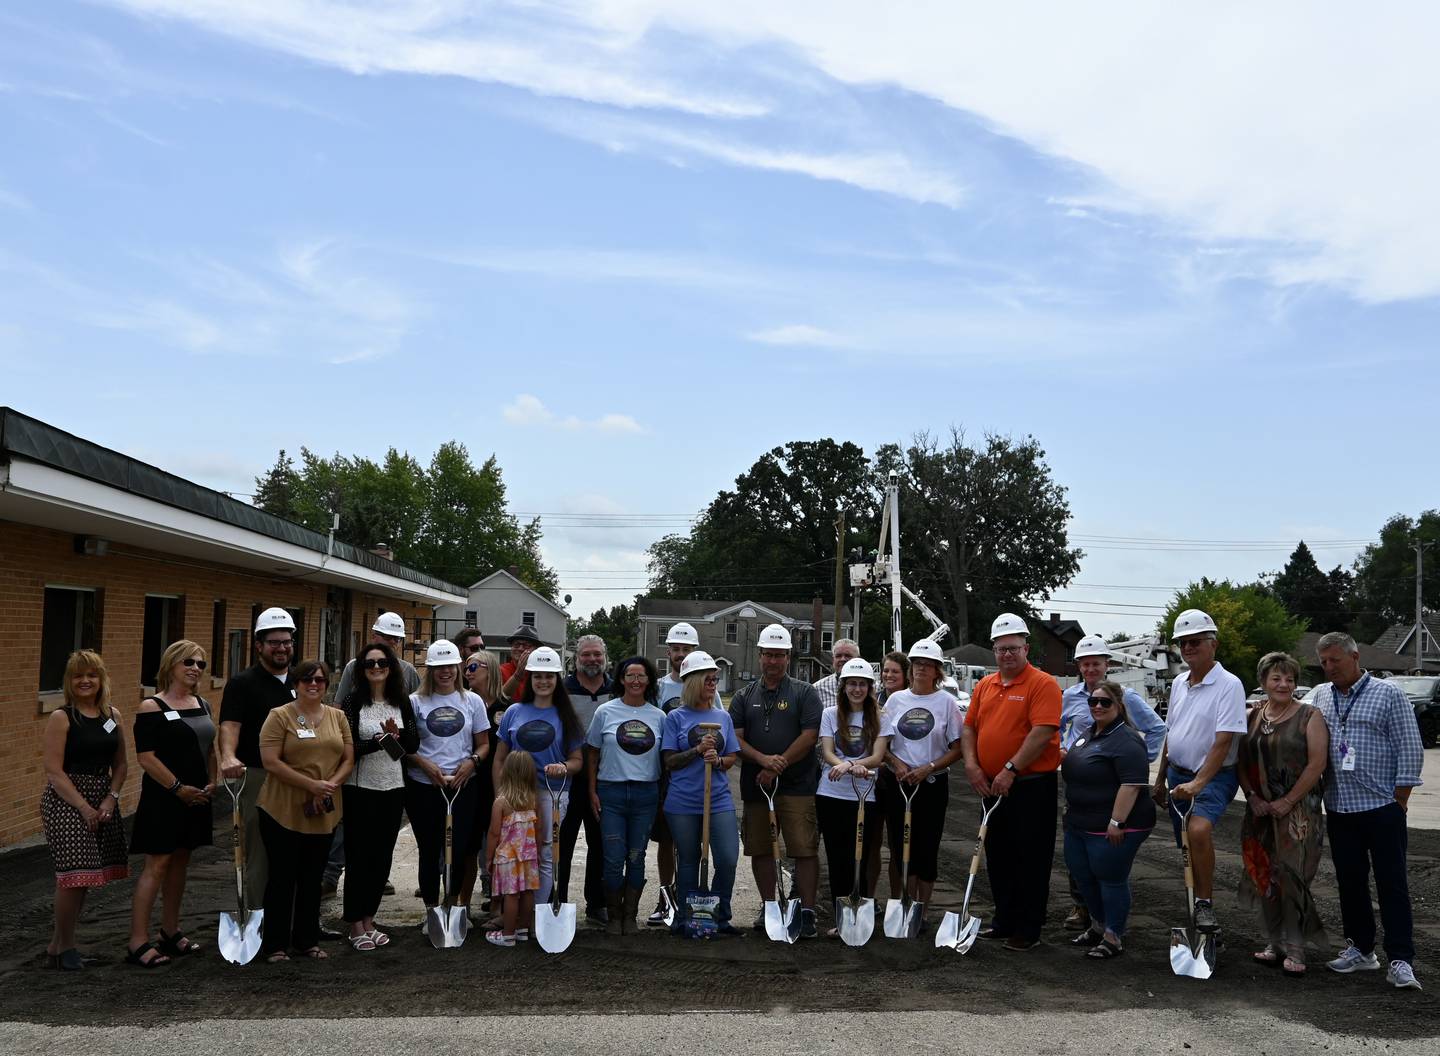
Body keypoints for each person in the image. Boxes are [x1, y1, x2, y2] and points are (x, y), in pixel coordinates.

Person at [1311, 632, 1425, 989]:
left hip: (1382, 807)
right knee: (1350, 884)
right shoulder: (1319, 697)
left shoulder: (1388, 694)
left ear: (1355, 656)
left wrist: (1400, 801)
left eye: (1336, 661)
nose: (1330, 668)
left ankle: (1401, 960)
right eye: (1324, 662)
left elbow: (1410, 747)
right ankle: (1361, 950)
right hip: (1341, 809)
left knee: (1392, 885)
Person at [962, 613, 1062, 952]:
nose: (1008, 655)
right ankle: (1004, 919)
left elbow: (1042, 732)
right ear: (994, 649)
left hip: (1031, 786)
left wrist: (1010, 769)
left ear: (1026, 648)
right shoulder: (984, 686)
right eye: (1002, 649)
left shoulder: (1042, 684)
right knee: (998, 854)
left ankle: (1028, 927)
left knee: (1030, 857)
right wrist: (974, 766)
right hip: (990, 785)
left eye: (1014, 648)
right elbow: (969, 728)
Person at [1059, 634, 1167, 931]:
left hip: (1113, 790)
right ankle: (1083, 906)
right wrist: (1063, 751)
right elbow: (1055, 727)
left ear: (1107, 664)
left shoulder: (1126, 697)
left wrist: (1136, 762)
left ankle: (1109, 922)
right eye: (1086, 664)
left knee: (1104, 854)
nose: (1091, 669)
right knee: (1078, 849)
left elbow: (1157, 729)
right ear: (1079, 666)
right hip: (1079, 783)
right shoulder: (1070, 697)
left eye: (1096, 663)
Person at [1151, 609, 1246, 936]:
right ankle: (1197, 909)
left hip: (1213, 777)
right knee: (1186, 844)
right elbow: (1171, 731)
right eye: (1183, 643)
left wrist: (1199, 783)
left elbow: (1223, 742)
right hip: (1178, 776)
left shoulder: (1229, 685)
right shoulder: (1178, 682)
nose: (1188, 648)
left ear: (1213, 645)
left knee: (1199, 831)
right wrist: (1161, 778)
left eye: (1195, 642)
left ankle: (1204, 904)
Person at [126, 640, 218, 967]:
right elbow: (145, 758)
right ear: (171, 666)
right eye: (188, 662)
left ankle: (170, 930)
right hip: (165, 799)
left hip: (197, 797)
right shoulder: (151, 707)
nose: (195, 668)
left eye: (201, 664)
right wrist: (178, 788)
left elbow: (209, 748)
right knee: (158, 865)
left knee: (181, 862)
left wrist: (212, 779)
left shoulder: (203, 704)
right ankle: (137, 941)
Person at [1237, 651, 1329, 976]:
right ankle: (1273, 943)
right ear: (1263, 682)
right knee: (1265, 876)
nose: (1284, 684)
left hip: (1298, 812)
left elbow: (1317, 763)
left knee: (1293, 878)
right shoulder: (1251, 715)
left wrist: (1288, 801)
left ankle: (1297, 949)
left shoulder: (1309, 715)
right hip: (1260, 810)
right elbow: (1240, 761)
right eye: (1276, 678)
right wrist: (1251, 796)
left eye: (1289, 678)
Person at [256, 659, 353, 962]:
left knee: (312, 878)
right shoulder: (280, 716)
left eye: (320, 680)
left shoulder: (337, 717)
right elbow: (270, 761)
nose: (314, 685)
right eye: (307, 680)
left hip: (323, 808)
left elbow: (348, 758)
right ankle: (275, 945)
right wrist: (310, 785)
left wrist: (328, 785)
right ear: (295, 684)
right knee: (282, 877)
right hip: (282, 807)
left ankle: (306, 940)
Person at [731, 623, 823, 938]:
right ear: (760, 656)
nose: (773, 661)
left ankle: (807, 911)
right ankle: (769, 905)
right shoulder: (744, 696)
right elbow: (736, 738)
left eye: (779, 656)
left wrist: (778, 764)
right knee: (761, 849)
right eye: (768, 655)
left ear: (788, 657)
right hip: (757, 787)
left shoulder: (804, 692)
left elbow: (810, 736)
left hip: (797, 786)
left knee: (803, 849)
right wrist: (762, 760)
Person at [41, 650, 128, 970]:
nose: (85, 680)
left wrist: (110, 799)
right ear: (69, 681)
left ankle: (57, 945)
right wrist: (84, 807)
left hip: (102, 797)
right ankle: (66, 948)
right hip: (66, 800)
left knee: (87, 874)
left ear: (101, 679)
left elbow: (120, 765)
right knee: (74, 874)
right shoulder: (61, 717)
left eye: (91, 674)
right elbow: (53, 771)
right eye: (78, 675)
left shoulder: (113, 716)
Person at [325, 612, 419, 898]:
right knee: (354, 837)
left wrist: (393, 740)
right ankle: (332, 875)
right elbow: (341, 715)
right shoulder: (355, 672)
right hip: (357, 776)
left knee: (382, 839)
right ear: (374, 636)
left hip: (393, 777)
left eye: (395, 639)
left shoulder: (407, 678)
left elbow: (410, 734)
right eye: (386, 637)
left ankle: (377, 885)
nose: (390, 645)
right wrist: (375, 742)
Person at [1060, 681, 1156, 960]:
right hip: (1080, 821)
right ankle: (1098, 925)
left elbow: (1132, 784)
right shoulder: (1088, 734)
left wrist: (1117, 822)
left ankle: (1113, 935)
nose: (1098, 707)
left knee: (1109, 876)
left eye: (1105, 702)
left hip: (1117, 823)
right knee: (1081, 872)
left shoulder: (1126, 740)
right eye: (1093, 702)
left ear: (1119, 706)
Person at [337, 642, 418, 950]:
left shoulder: (402, 702)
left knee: (382, 857)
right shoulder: (352, 702)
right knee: (359, 857)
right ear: (361, 668)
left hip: (393, 788)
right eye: (369, 663)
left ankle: (370, 918)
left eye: (382, 662)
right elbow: (347, 748)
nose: (376, 668)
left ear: (391, 667)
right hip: (360, 789)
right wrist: (377, 741)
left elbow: (412, 745)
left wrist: (395, 738)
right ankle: (354, 923)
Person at [880, 640, 963, 934]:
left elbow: (957, 748)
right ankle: (902, 905)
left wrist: (929, 767)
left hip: (930, 785)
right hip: (899, 783)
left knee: (927, 849)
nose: (921, 669)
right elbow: (883, 744)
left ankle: (922, 912)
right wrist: (895, 763)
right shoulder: (896, 701)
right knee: (901, 847)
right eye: (916, 664)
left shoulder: (947, 703)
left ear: (937, 671)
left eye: (927, 665)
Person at [217, 607, 295, 911]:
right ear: (259, 645)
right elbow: (230, 726)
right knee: (260, 853)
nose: (281, 648)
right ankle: (261, 920)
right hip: (259, 778)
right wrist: (228, 757)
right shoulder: (243, 683)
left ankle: (296, 922)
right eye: (274, 642)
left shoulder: (302, 680)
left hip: (299, 778)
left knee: (299, 850)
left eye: (286, 641)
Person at [406, 640, 491, 917]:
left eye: (450, 666)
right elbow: (406, 747)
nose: (445, 672)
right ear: (429, 669)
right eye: (438, 667)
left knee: (457, 850)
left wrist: (472, 763)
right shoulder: (415, 702)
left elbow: (484, 744)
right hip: (425, 786)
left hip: (461, 785)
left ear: (458, 667)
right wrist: (425, 765)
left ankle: (451, 906)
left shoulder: (472, 701)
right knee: (429, 851)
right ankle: (431, 909)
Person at [493, 646, 584, 904]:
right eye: (537, 676)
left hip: (552, 795)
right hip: (516, 795)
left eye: (549, 676)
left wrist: (564, 767)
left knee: (545, 853)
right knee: (513, 853)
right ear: (530, 679)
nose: (543, 681)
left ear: (557, 679)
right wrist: (499, 794)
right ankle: (510, 913)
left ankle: (537, 913)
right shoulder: (514, 712)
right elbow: (499, 758)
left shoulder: (566, 716)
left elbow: (577, 761)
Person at [662, 651, 742, 936]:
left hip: (718, 799)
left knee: (728, 858)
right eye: (708, 679)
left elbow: (732, 755)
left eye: (715, 679)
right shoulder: (675, 718)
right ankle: (687, 919)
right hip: (683, 801)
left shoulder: (722, 716)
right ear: (693, 681)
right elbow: (669, 761)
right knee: (688, 859)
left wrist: (718, 761)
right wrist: (697, 750)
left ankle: (719, 917)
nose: (713, 683)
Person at [586, 656, 666, 935]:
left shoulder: (659, 717)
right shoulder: (605, 712)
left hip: (646, 793)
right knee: (612, 857)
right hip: (612, 791)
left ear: (649, 681)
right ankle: (614, 915)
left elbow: (665, 759)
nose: (635, 681)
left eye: (641, 676)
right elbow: (592, 753)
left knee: (636, 855)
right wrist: (592, 790)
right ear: (620, 679)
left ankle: (630, 916)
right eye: (630, 675)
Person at [817, 658, 889, 938]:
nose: (857, 689)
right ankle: (841, 919)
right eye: (852, 684)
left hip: (865, 796)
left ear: (870, 687)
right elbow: (827, 751)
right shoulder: (830, 714)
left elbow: (878, 756)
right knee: (836, 858)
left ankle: (860, 915)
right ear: (843, 686)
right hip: (831, 793)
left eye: (862, 684)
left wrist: (857, 765)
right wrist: (845, 764)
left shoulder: (880, 717)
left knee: (860, 856)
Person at [646, 621, 700, 926]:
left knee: (690, 842)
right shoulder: (660, 688)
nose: (680, 655)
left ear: (695, 650)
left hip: (694, 774)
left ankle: (689, 897)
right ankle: (665, 899)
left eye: (686, 649)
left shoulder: (707, 685)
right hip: (666, 774)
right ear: (669, 651)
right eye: (676, 649)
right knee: (666, 841)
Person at [559, 634, 613, 923]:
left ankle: (596, 903)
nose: (592, 660)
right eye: (586, 655)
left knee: (599, 843)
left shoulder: (616, 689)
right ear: (576, 658)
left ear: (605, 657)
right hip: (568, 777)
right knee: (563, 843)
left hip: (604, 778)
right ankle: (559, 901)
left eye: (597, 654)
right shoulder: (563, 690)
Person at [458, 648, 506, 915]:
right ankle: (462, 904)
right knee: (466, 847)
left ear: (490, 670)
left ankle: (498, 905)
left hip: (497, 786)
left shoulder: (506, 708)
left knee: (500, 846)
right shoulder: (461, 705)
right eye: (466, 669)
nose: (467, 673)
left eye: (473, 667)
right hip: (470, 783)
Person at [485, 750, 541, 946]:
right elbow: (539, 829)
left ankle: (507, 934)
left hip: (507, 857)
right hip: (528, 856)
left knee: (511, 895)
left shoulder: (501, 802)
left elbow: (493, 833)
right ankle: (523, 930)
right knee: (527, 893)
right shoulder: (533, 800)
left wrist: (489, 857)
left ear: (506, 772)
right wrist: (538, 853)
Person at [874, 650, 910, 896]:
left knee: (900, 845)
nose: (888, 675)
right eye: (885, 670)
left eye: (895, 671)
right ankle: (868, 898)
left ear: (906, 675)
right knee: (870, 844)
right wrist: (891, 760)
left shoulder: (912, 702)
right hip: (874, 779)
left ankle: (898, 899)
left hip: (902, 780)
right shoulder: (872, 701)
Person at [812, 638, 861, 710]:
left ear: (858, 659)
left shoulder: (874, 687)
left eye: (848, 656)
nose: (842, 659)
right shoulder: (817, 689)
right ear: (833, 659)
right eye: (838, 656)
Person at [500, 624, 543, 701]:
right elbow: (499, 699)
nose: (520, 648)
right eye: (516, 644)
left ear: (536, 650)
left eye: (526, 645)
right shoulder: (500, 671)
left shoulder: (542, 673)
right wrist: (517, 675)